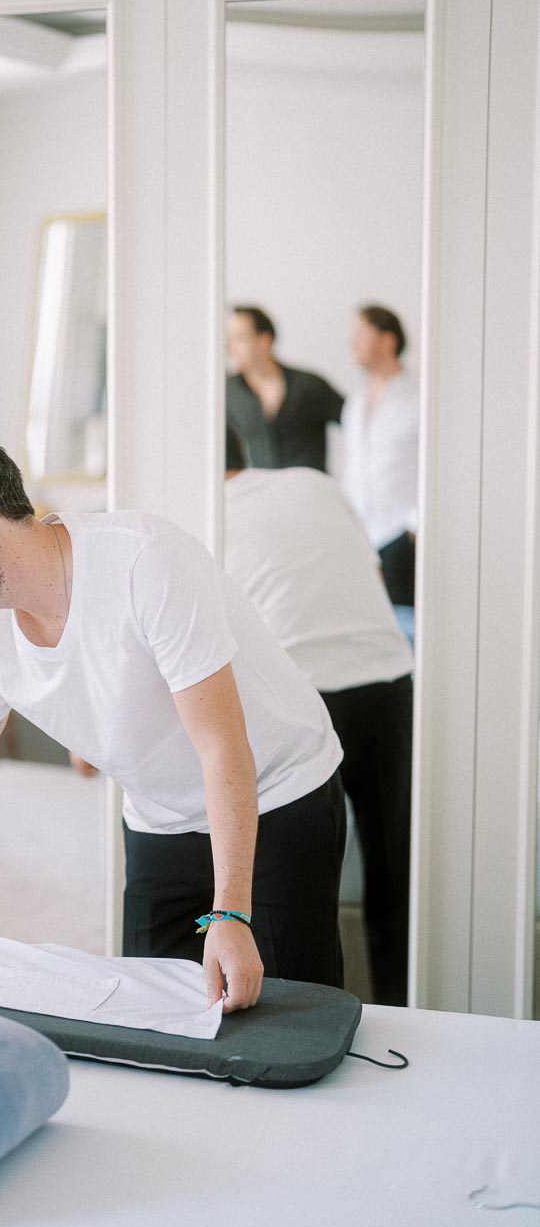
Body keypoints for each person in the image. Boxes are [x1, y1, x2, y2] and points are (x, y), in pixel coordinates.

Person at [0, 425, 347, 1012]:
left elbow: (223, 748)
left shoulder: (146, 561)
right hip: (160, 817)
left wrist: (230, 911)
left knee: (289, 1023)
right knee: (152, 1017)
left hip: (276, 794)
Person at [223, 427, 413, 1005]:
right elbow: (373, 579)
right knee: (395, 876)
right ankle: (403, 1007)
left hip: (306, 696)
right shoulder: (317, 484)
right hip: (389, 678)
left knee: (299, 882)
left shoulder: (204, 517)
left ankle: (309, 1018)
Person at [341, 305, 419, 629]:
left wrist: (415, 528)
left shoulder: (421, 397)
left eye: (362, 335)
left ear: (387, 340)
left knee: (408, 628)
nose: (353, 343)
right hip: (361, 538)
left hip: (402, 535)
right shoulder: (355, 401)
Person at [225, 305, 344, 471]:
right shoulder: (229, 392)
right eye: (229, 340)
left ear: (265, 341)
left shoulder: (309, 385)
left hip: (309, 492)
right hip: (261, 493)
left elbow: (356, 424)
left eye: (240, 338)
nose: (231, 348)